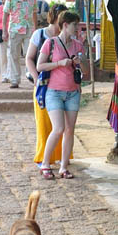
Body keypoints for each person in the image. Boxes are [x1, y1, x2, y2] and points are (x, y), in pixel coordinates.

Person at [36, 10, 84, 180]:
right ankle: (45, 163)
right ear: (65, 25)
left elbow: (81, 70)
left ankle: (64, 167)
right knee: (58, 128)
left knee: (70, 130)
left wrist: (77, 64)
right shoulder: (51, 43)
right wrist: (58, 63)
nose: (77, 28)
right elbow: (40, 66)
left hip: (73, 91)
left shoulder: (78, 45)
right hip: (54, 91)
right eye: (74, 25)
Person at [25, 3, 69, 166]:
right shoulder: (40, 34)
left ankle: (60, 155)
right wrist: (36, 79)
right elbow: (29, 58)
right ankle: (45, 156)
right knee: (44, 123)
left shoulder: (66, 37)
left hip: (63, 84)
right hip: (44, 84)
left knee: (61, 124)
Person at [1, 0, 37, 88]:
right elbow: (5, 14)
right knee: (14, 55)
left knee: (30, 54)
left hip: (29, 29)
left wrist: (35, 29)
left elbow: (35, 13)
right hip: (15, 30)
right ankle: (15, 80)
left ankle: (33, 77)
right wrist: (4, 31)